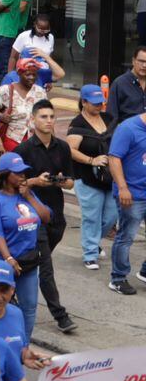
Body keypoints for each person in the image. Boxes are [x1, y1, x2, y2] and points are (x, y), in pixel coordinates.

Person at [13, 100, 76, 334]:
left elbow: (70, 181)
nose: (48, 121)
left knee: (31, 262)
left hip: (56, 215)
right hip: (32, 215)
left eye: (51, 116)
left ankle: (8, 291)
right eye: (43, 117)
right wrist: (34, 181)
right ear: (33, 120)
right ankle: (61, 316)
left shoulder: (62, 147)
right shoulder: (24, 150)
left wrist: (60, 180)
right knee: (45, 266)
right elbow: (13, 182)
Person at [0, 154, 51, 341]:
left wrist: (29, 195)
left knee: (29, 307)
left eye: (24, 172)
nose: (22, 176)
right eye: (17, 172)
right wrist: (9, 259)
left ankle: (23, 346)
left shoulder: (27, 195)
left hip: (27, 261)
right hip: (1, 261)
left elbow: (46, 217)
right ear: (5, 175)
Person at [66, 84, 117, 271]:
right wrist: (91, 160)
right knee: (91, 217)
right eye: (94, 103)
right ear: (84, 102)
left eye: (101, 102)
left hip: (111, 177)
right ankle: (89, 253)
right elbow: (70, 150)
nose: (99, 106)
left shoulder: (108, 118)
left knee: (111, 216)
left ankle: (94, 242)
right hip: (87, 177)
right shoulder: (77, 124)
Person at [106, 99, 146, 293]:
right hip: (132, 194)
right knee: (127, 236)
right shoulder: (129, 128)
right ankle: (118, 278)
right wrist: (122, 187)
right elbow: (114, 158)